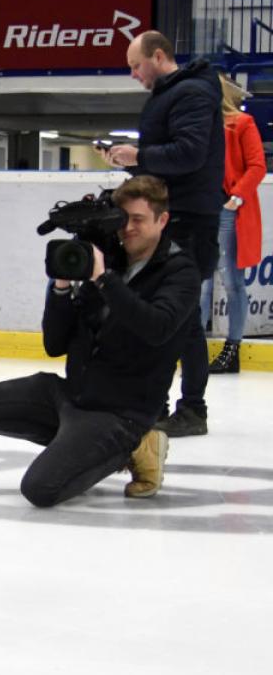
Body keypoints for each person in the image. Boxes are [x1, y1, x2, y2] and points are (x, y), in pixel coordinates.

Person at [0, 176, 199, 505]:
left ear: (162, 220)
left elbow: (156, 327)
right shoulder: (106, 259)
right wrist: (60, 287)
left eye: (139, 220)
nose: (128, 228)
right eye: (122, 219)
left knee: (40, 489)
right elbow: (55, 345)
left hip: (120, 413)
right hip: (73, 396)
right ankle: (79, 446)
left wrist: (103, 279)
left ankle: (131, 447)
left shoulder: (180, 273)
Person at [103, 30, 224, 437]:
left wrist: (140, 155)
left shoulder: (190, 93)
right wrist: (132, 163)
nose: (134, 74)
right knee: (171, 317)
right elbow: (169, 160)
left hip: (189, 220)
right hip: (177, 215)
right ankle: (160, 403)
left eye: (136, 65)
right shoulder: (170, 95)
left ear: (158, 56)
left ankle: (192, 408)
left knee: (183, 319)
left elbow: (189, 153)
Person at [203, 76, 264, 374]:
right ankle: (194, 345)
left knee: (231, 282)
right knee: (200, 280)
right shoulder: (201, 124)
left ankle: (232, 348)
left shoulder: (241, 123)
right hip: (204, 209)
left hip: (229, 209)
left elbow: (257, 165)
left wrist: (236, 199)